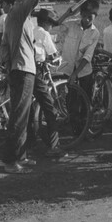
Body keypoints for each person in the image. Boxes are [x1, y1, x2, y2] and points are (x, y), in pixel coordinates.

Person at [0, 0, 42, 174]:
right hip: (23, 68)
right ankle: (10, 160)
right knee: (18, 116)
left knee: (22, 116)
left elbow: (4, 46)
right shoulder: (19, 10)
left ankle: (20, 156)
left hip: (20, 68)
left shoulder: (13, 15)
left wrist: (8, 67)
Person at [30, 9, 66, 157]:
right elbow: (53, 54)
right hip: (37, 71)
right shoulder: (44, 33)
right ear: (46, 23)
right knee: (50, 108)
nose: (51, 27)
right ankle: (54, 146)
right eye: (51, 24)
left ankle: (31, 144)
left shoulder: (31, 29)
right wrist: (58, 59)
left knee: (29, 109)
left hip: (26, 69)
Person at [56, 0, 100, 96]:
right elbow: (57, 24)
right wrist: (68, 13)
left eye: (90, 17)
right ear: (80, 14)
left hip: (84, 71)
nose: (86, 19)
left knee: (85, 98)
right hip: (67, 68)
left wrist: (75, 73)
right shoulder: (71, 24)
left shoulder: (95, 33)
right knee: (70, 98)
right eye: (84, 16)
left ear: (95, 16)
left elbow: (87, 56)